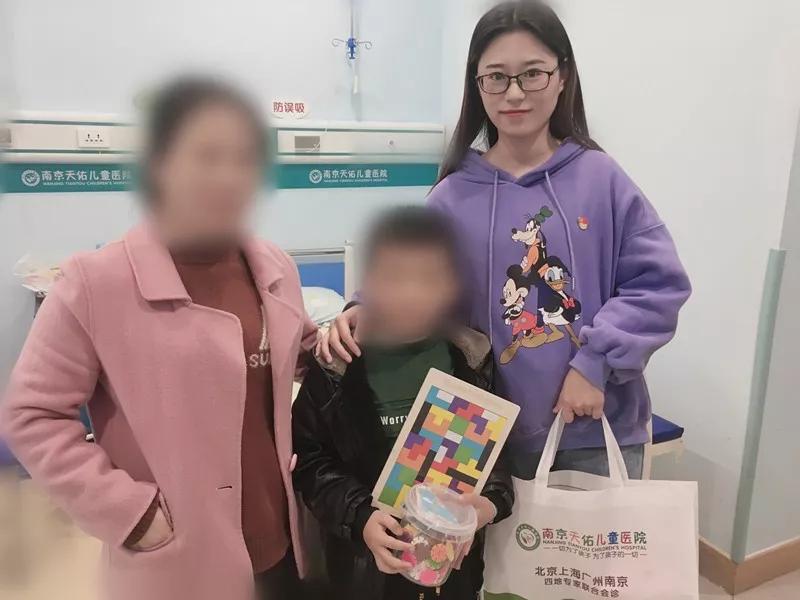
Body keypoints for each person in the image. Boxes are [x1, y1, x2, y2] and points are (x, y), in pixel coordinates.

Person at [317, 0, 692, 481]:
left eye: (532, 73)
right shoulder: (451, 197)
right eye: (496, 77)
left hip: (593, 430)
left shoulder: (602, 179)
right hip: (477, 434)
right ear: (477, 85)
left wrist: (594, 363)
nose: (514, 93)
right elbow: (405, 277)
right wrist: (364, 307)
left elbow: (657, 285)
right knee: (476, 537)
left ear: (562, 76)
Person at [1, 78, 317, 600]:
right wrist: (128, 511)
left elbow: (298, 352)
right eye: (206, 156)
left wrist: (344, 333)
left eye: (243, 159)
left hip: (281, 539)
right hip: (177, 557)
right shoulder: (95, 284)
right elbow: (31, 414)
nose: (227, 177)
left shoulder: (274, 266)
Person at [293, 206, 514, 599]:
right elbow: (310, 462)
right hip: (364, 572)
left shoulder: (472, 358)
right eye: (394, 277)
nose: (412, 294)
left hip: (453, 572)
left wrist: (489, 505)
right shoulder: (336, 366)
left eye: (429, 278)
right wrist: (360, 516)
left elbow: (496, 454)